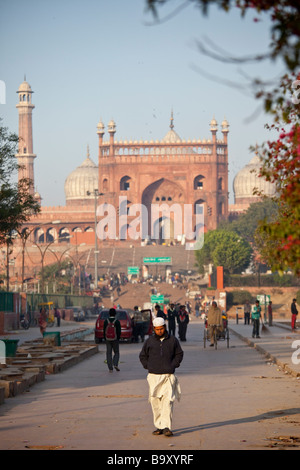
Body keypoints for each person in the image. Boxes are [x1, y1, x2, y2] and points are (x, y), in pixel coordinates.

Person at [139, 317, 183, 437]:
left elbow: (179, 354)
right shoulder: (149, 342)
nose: (159, 331)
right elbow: (142, 356)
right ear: (154, 329)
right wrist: (148, 366)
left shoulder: (173, 340)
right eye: (157, 329)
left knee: (167, 402)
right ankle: (159, 426)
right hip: (153, 377)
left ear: (165, 328)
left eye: (161, 329)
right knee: (155, 402)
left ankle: (166, 427)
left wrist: (173, 365)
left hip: (168, 376)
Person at [103, 308, 121, 372]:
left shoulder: (106, 321)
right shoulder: (117, 321)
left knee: (108, 353)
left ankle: (110, 368)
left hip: (108, 339)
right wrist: (118, 338)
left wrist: (105, 338)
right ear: (115, 314)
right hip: (115, 339)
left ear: (109, 313)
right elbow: (119, 331)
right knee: (116, 352)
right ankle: (115, 363)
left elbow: (104, 330)